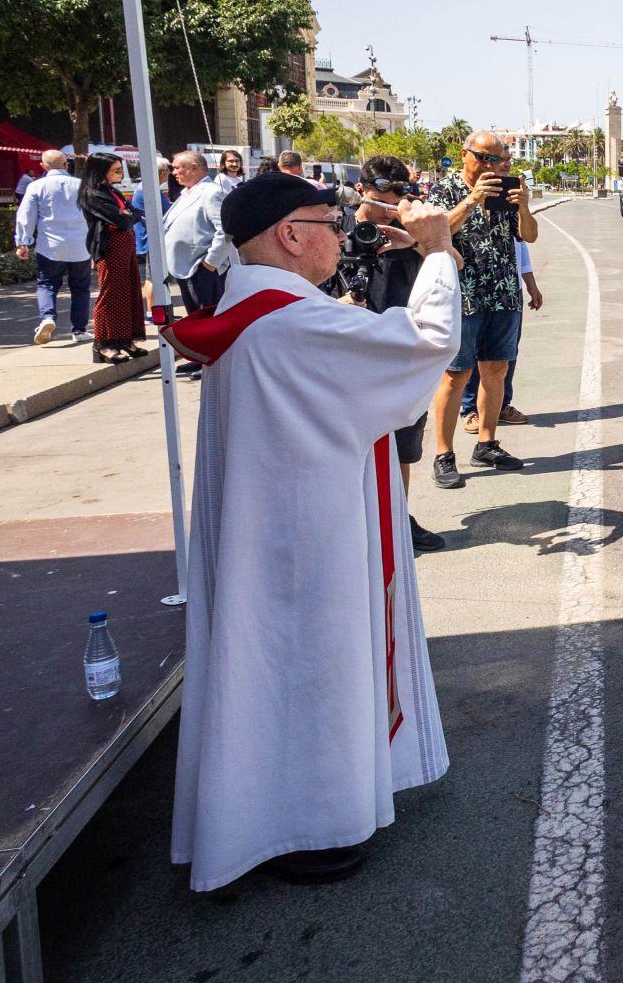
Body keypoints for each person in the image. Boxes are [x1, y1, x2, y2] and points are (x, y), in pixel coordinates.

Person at [159, 170, 457, 891]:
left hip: (272, 524)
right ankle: (311, 827)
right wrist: (439, 252)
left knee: (272, 670)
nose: (340, 233)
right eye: (327, 220)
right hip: (310, 536)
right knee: (314, 669)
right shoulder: (294, 321)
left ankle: (271, 818)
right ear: (290, 235)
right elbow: (425, 345)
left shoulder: (256, 312)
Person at [426, 131, 538, 488]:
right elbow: (436, 233)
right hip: (461, 296)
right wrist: (472, 200)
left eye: (496, 160)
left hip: (503, 292)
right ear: (464, 154)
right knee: (456, 374)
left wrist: (523, 206)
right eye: (483, 158)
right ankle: (444, 453)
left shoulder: (508, 187)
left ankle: (486, 443)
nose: (491, 166)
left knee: (496, 371)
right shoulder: (444, 189)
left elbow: (530, 236)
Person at [352, 155, 449, 551]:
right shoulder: (333, 228)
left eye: (398, 199)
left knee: (404, 446)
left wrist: (418, 243)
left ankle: (396, 520)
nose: (390, 209)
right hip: (352, 355)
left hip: (402, 351)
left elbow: (450, 265)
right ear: (361, 191)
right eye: (382, 200)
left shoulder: (412, 229)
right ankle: (359, 526)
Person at [459, 239, 543, 431]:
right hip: (475, 289)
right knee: (472, 353)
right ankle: (470, 409)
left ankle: (501, 405)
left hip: (510, 289)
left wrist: (530, 283)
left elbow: (521, 244)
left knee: (506, 353)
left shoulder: (512, 210)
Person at [15, 149, 91, 345]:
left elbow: (26, 216)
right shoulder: (82, 185)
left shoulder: (36, 186)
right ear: (67, 165)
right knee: (80, 288)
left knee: (47, 285)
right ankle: (80, 329)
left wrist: (23, 242)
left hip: (50, 246)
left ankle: (47, 318)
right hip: (80, 246)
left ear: (43, 166)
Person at [77, 153, 147, 364]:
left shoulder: (110, 190)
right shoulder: (92, 194)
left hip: (124, 244)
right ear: (101, 171)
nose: (120, 174)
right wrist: (126, 214)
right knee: (110, 295)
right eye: (116, 170)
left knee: (130, 291)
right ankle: (103, 344)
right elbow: (122, 219)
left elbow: (132, 213)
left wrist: (126, 213)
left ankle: (124, 339)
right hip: (109, 247)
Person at [166, 150, 234, 316]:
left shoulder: (211, 192)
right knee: (196, 319)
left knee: (207, 320)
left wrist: (210, 263)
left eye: (177, 168)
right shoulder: (187, 192)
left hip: (202, 271)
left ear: (193, 167)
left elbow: (226, 230)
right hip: (188, 268)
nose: (173, 172)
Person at [132, 159, 171, 315]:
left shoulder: (149, 188)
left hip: (151, 238)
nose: (169, 175)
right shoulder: (148, 189)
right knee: (153, 276)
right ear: (161, 173)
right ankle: (151, 311)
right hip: (152, 239)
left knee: (154, 275)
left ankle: (154, 310)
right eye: (168, 172)